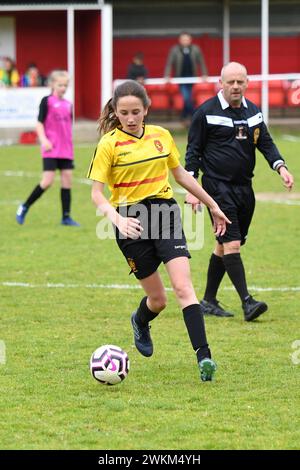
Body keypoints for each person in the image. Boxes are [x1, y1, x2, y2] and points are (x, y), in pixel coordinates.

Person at [87, 80, 231, 382]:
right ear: (115, 111)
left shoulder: (161, 136)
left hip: (165, 213)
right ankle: (141, 320)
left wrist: (212, 205)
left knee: (183, 288)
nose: (129, 118)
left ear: (146, 110)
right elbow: (97, 194)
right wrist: (118, 220)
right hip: (130, 221)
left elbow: (181, 176)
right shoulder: (108, 144)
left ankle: (204, 357)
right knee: (159, 300)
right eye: (123, 112)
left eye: (135, 112)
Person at [184, 62, 294, 321]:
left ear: (247, 83)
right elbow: (193, 152)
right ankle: (247, 302)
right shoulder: (205, 113)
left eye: (240, 82)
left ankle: (209, 301)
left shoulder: (253, 111)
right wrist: (192, 189)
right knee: (231, 243)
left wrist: (281, 167)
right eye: (230, 82)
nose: (235, 86)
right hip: (217, 189)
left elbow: (265, 142)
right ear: (220, 83)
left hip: (245, 189)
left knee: (224, 245)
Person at [16, 70, 79, 226]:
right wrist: (44, 140)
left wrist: (71, 149)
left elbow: (68, 129)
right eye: (60, 84)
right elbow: (39, 124)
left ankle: (66, 217)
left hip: (66, 150)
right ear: (52, 84)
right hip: (51, 149)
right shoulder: (47, 101)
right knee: (47, 181)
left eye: (65, 85)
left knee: (67, 181)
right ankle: (24, 207)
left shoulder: (68, 105)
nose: (63, 88)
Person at [164, 32, 207, 123]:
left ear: (190, 40)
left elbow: (201, 62)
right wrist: (167, 75)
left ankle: (185, 116)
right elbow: (169, 63)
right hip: (180, 78)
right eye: (183, 39)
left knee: (190, 98)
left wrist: (204, 74)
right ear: (180, 40)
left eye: (187, 39)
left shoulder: (196, 49)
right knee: (187, 98)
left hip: (193, 77)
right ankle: (192, 116)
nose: (185, 41)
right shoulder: (174, 50)